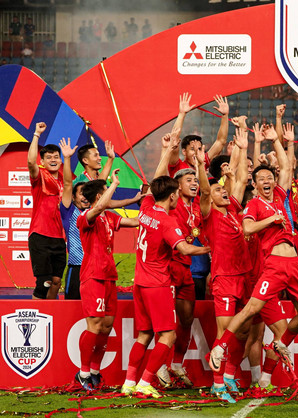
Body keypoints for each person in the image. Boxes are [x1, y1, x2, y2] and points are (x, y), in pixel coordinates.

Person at [209, 124, 298, 385]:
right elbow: (248, 227)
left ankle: (280, 345)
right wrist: (271, 221)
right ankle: (221, 348)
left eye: (270, 178)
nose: (268, 181)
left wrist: (276, 140)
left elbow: (287, 169)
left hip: (295, 265)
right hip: (274, 266)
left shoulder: (279, 197)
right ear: (254, 186)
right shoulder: (254, 205)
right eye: (262, 179)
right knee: (251, 313)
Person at [121, 176, 210, 398]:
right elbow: (185, 249)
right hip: (157, 284)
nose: (178, 197)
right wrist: (209, 248)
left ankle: (129, 382)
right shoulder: (168, 221)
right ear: (172, 195)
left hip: (140, 282)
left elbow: (151, 191)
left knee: (144, 335)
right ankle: (145, 382)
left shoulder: (146, 208)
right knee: (168, 336)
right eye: (176, 194)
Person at [152, 128, 210, 389]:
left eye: (195, 180)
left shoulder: (197, 208)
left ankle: (177, 363)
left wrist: (201, 169)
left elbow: (208, 193)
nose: (194, 183)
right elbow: (161, 176)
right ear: (177, 186)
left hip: (186, 269)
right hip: (168, 268)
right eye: (189, 180)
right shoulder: (169, 205)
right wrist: (168, 149)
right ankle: (160, 367)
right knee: (167, 323)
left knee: (186, 320)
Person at [74, 170, 139, 391]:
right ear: (99, 195)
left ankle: (94, 371)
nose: (110, 196)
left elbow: (134, 222)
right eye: (106, 192)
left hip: (110, 276)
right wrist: (114, 183)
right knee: (95, 325)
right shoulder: (86, 217)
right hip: (93, 276)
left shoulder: (109, 217)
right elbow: (100, 207)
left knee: (107, 326)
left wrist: (152, 209)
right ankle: (82, 373)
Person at [201, 126, 251, 402]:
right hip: (224, 277)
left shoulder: (233, 209)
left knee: (242, 330)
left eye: (223, 190)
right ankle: (217, 383)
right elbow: (209, 191)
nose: (222, 192)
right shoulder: (208, 214)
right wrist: (201, 167)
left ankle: (230, 375)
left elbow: (239, 180)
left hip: (244, 276)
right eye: (218, 190)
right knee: (225, 331)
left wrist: (241, 149)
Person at [27, 122, 66, 300]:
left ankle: (51, 316)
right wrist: (36, 134)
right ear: (42, 161)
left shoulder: (66, 181)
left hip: (59, 238)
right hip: (40, 235)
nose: (53, 160)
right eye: (49, 157)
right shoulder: (40, 176)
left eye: (56, 157)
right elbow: (30, 162)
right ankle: (38, 318)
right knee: (44, 282)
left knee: (57, 281)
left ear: (60, 159)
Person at [59, 139, 90, 300]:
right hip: (76, 267)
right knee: (72, 308)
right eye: (81, 193)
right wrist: (68, 158)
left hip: (93, 269)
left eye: (88, 193)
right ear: (73, 197)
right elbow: (67, 184)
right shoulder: (69, 212)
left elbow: (100, 184)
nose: (85, 197)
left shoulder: (94, 212)